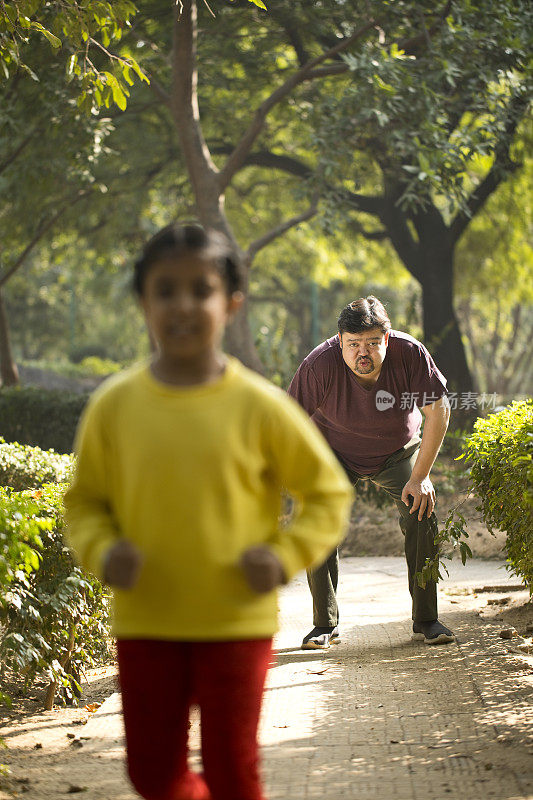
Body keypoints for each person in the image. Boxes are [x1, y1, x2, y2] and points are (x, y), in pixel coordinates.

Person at [63, 223, 352, 800]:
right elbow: (85, 504)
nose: (184, 304)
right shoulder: (114, 406)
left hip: (236, 623)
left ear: (231, 304)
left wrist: (284, 556)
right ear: (143, 302)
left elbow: (327, 494)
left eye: (202, 289)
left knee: (232, 769)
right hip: (147, 622)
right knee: (151, 771)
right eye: (165, 290)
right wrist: (102, 549)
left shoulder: (260, 406)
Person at [288, 296, 453, 650]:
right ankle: (323, 624)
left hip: (396, 450)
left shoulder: (409, 354)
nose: (363, 352)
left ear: (387, 339)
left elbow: (438, 412)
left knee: (421, 511)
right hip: (332, 452)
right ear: (339, 341)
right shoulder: (319, 364)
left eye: (372, 343)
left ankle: (426, 619)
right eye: (353, 344)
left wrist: (420, 477)